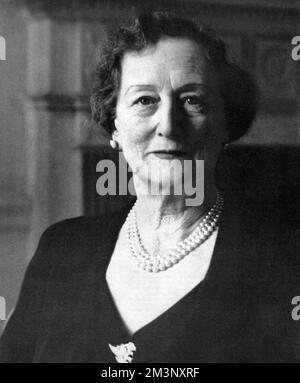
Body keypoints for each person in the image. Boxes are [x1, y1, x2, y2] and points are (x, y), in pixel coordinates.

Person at [0, 12, 299, 363]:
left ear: (225, 125)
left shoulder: (283, 263)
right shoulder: (61, 250)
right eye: (145, 100)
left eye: (193, 100)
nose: (168, 125)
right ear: (114, 126)